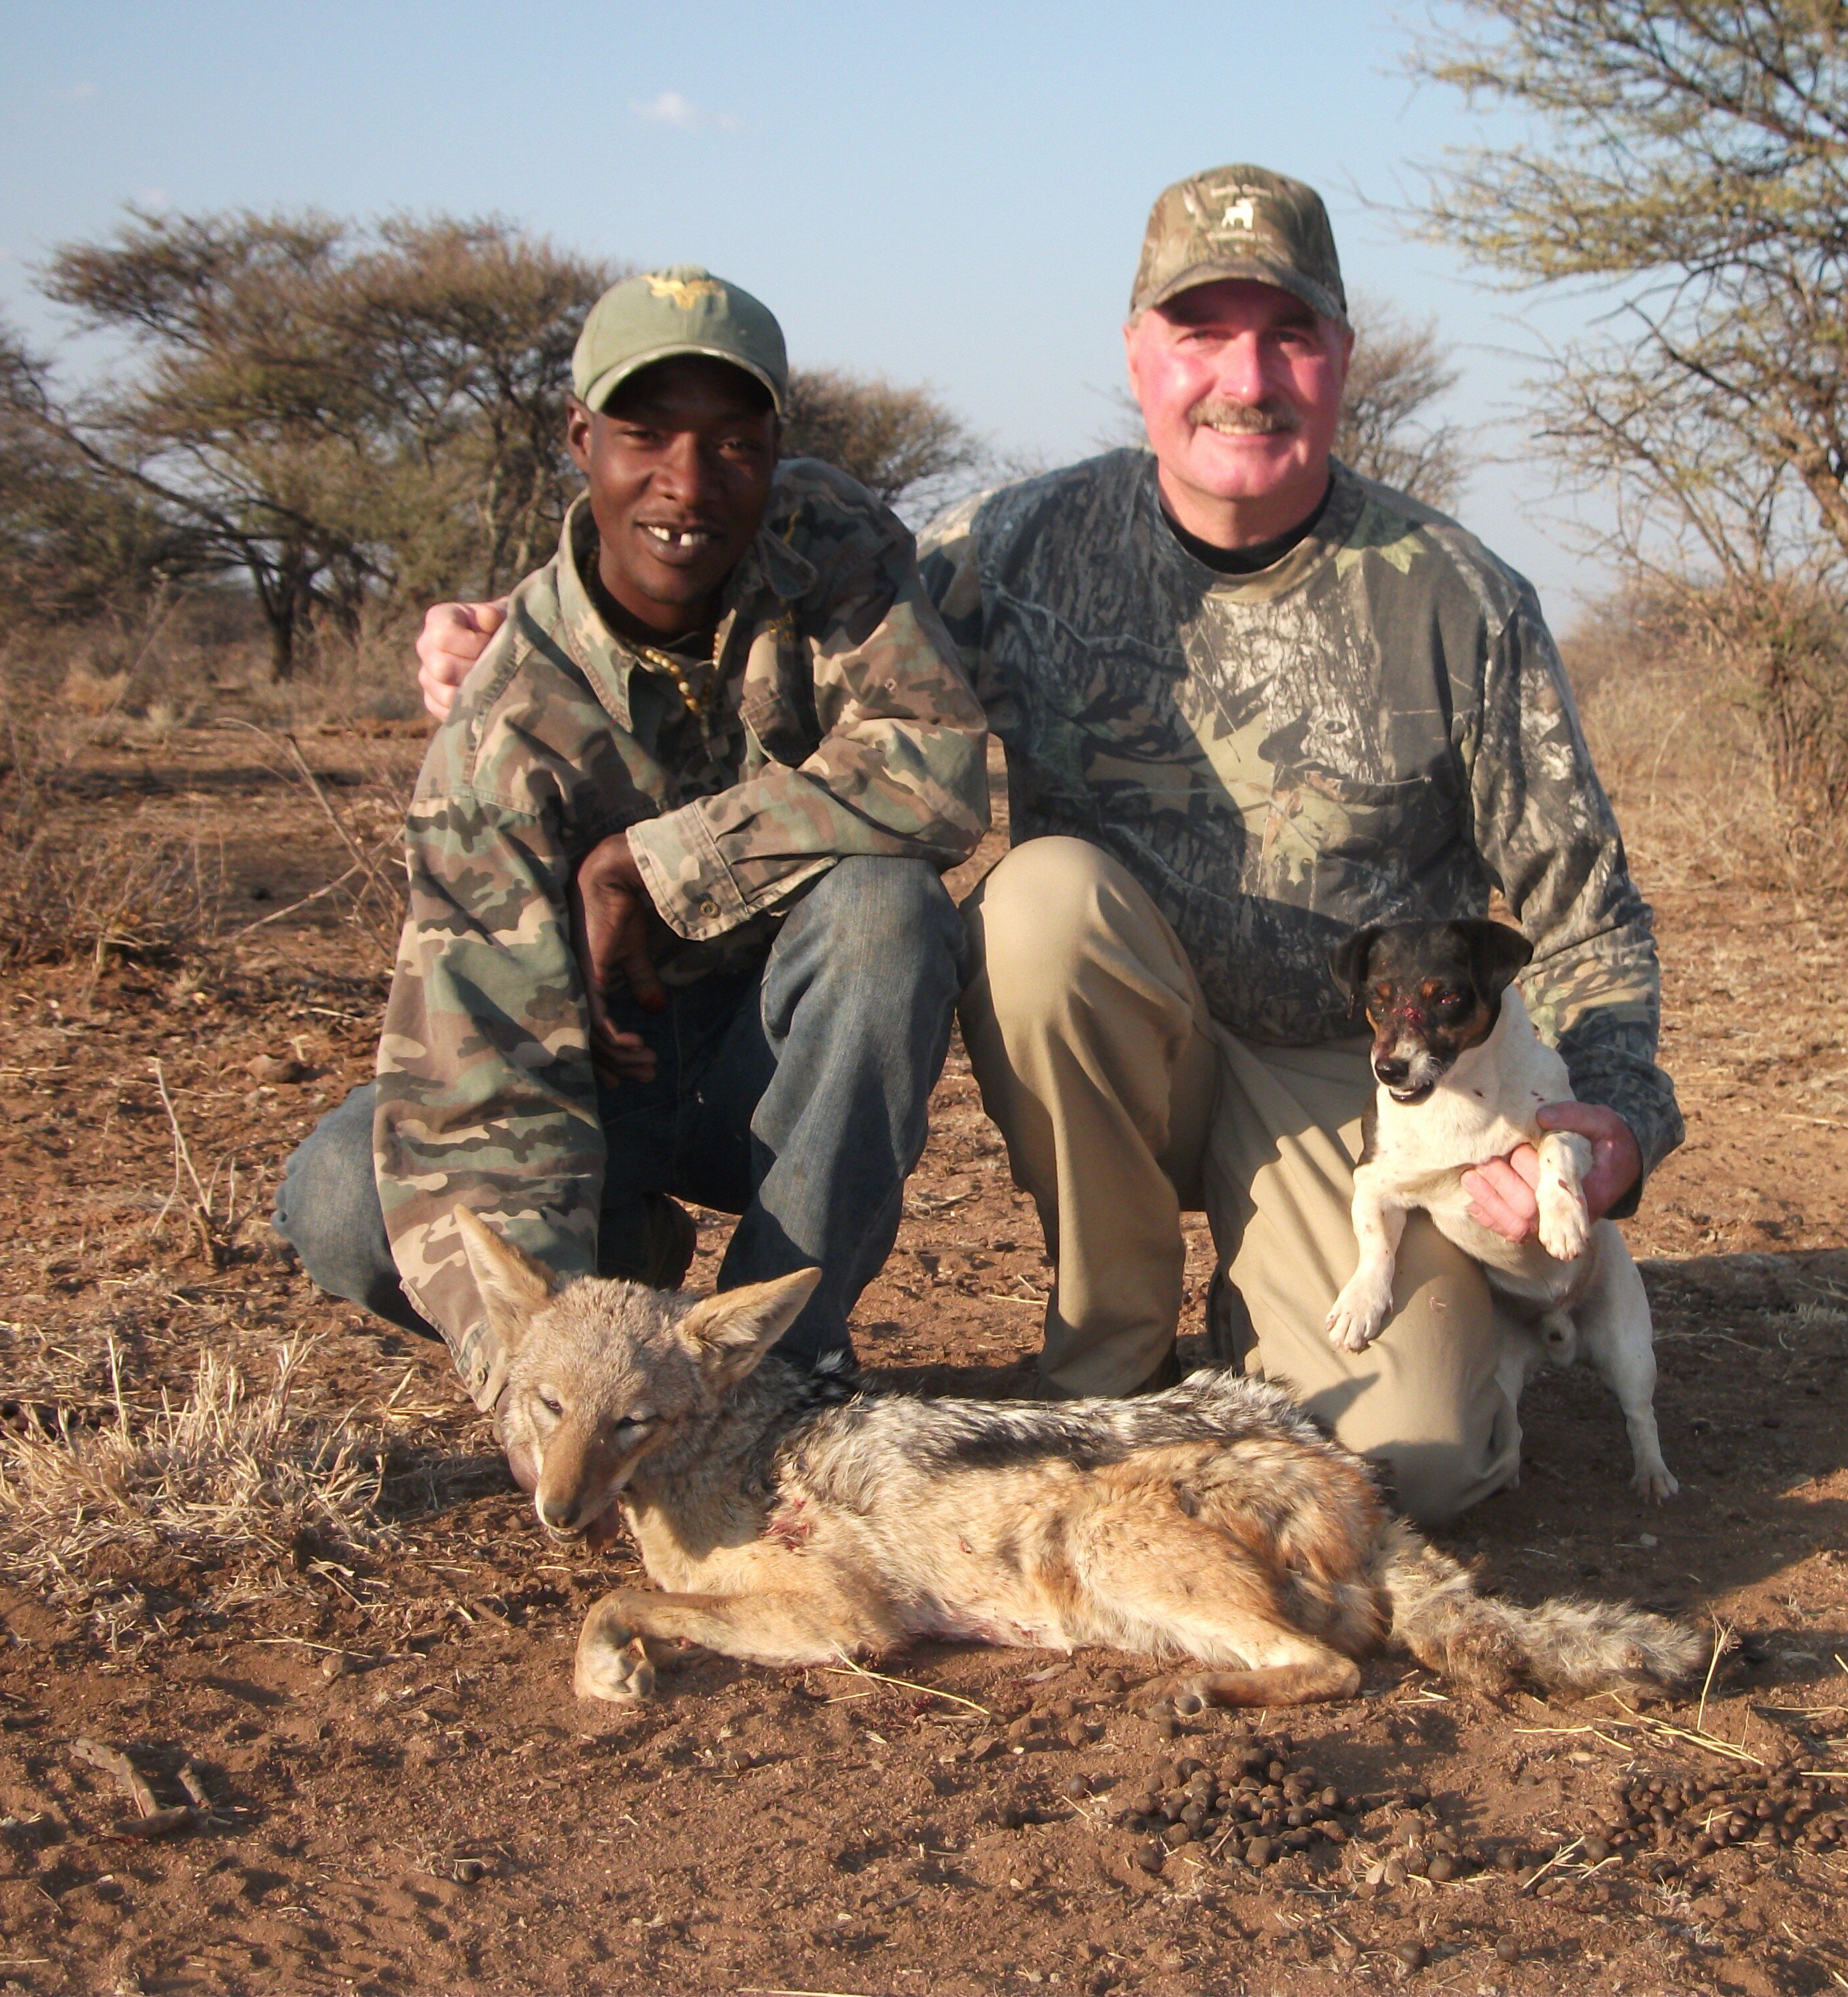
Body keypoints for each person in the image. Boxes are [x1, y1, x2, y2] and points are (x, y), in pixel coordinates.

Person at [417, 171, 1680, 1523]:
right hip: (1120, 1043)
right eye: (1200, 334)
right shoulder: (1011, 546)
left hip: (1362, 1087)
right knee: (1036, 901)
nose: (1243, 378)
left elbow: (1585, 907)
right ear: (1139, 355)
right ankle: (1109, 1368)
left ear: (1341, 361)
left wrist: (1613, 1119)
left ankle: (1380, 1329)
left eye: (1288, 336)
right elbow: (774, 613)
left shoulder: (1459, 596)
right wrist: (539, 620)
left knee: (1401, 1471)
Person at [280, 266, 988, 1450]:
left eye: (733, 446)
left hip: (771, 1077)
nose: (689, 485)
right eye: (645, 436)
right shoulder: (500, 732)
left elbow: (936, 768)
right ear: (580, 440)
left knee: (888, 911)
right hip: (582, 1089)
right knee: (349, 1198)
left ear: (775, 449)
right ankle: (620, 1276)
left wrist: (650, 868)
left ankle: (782, 1374)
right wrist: (545, 1398)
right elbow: (482, 1076)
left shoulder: (829, 544)